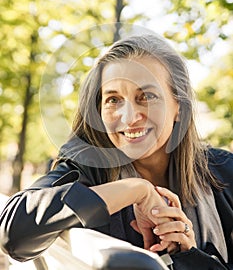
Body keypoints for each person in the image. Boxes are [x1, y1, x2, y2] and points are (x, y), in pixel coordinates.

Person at [0, 34, 232, 270]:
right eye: (113, 99)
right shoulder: (86, 169)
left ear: (179, 108)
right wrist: (136, 190)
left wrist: (188, 254)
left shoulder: (225, 172)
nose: (129, 117)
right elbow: (13, 233)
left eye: (147, 96)